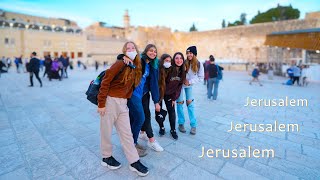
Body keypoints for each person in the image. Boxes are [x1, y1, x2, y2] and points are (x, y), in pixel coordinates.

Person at [97, 41, 149, 176]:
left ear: (136, 51)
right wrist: (101, 103)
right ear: (124, 51)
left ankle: (134, 161)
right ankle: (106, 157)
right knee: (106, 131)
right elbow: (105, 81)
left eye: (133, 48)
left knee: (127, 134)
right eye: (128, 48)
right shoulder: (121, 63)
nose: (131, 50)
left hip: (123, 104)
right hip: (110, 101)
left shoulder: (135, 67)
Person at [156, 53, 186, 140]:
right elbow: (159, 63)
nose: (179, 60)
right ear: (173, 60)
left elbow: (179, 86)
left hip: (170, 94)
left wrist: (174, 98)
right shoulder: (169, 68)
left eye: (181, 58)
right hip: (160, 92)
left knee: (172, 112)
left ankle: (173, 130)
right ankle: (161, 127)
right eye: (176, 58)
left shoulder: (183, 71)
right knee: (159, 111)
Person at [177, 46, 204, 135]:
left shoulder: (199, 64)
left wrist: (190, 82)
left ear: (194, 54)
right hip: (180, 85)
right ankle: (181, 123)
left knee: (190, 104)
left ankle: (193, 125)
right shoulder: (183, 62)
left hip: (189, 85)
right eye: (187, 53)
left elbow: (201, 77)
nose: (189, 55)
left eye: (190, 53)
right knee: (180, 103)